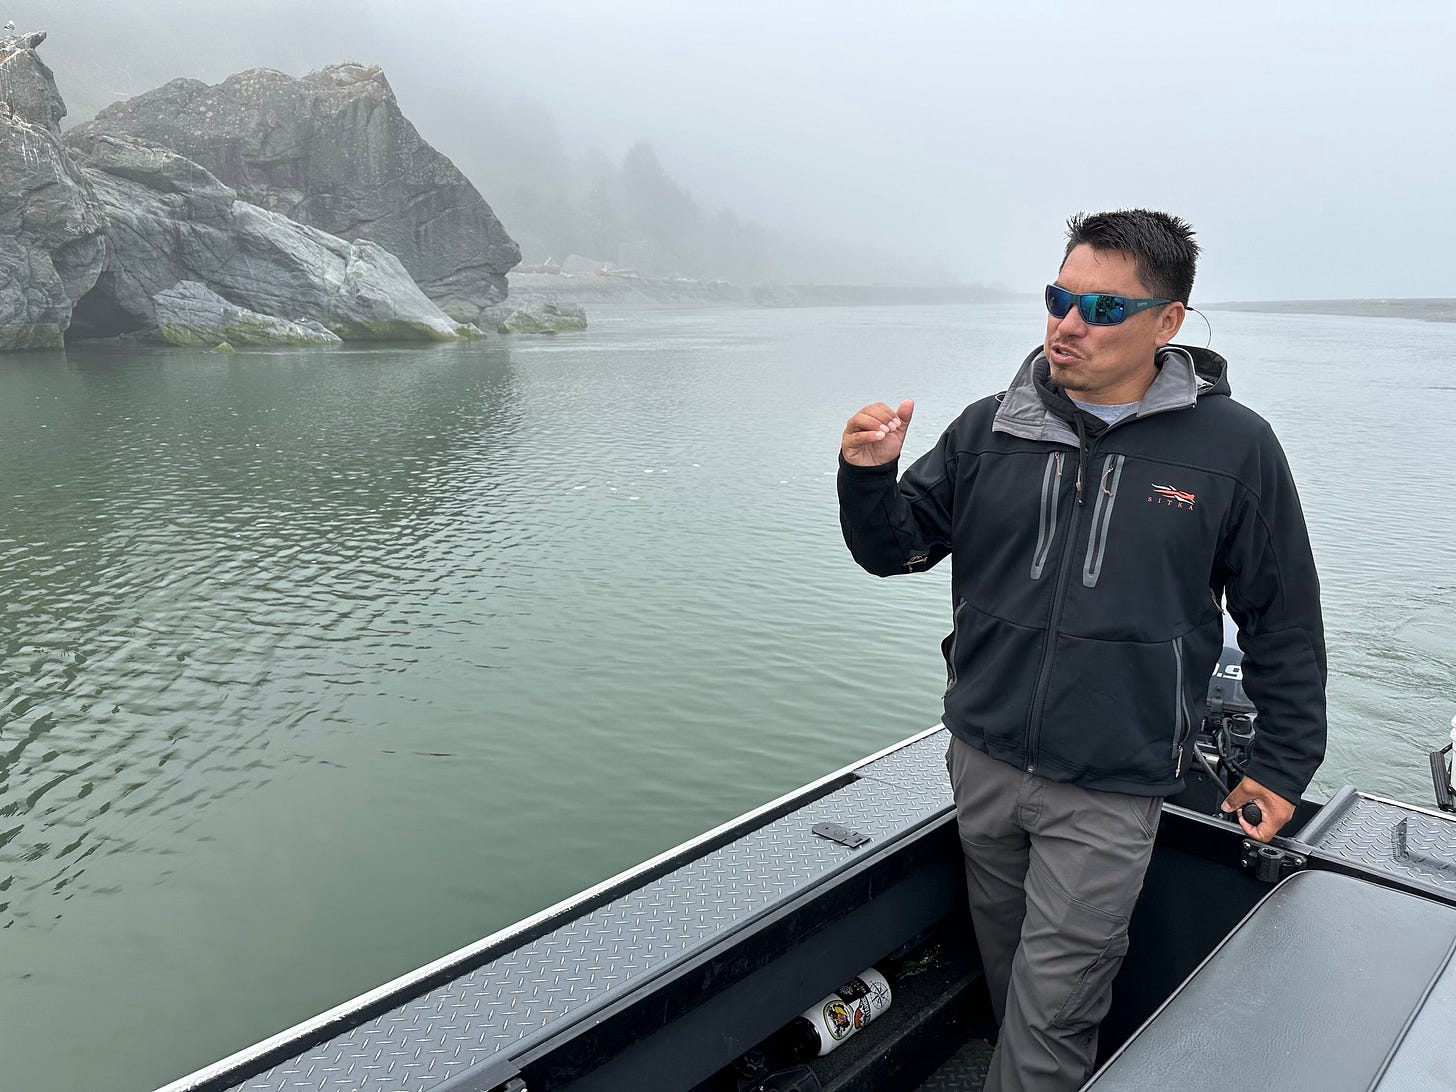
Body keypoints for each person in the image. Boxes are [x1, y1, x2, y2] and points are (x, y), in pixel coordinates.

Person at [836, 209, 1326, 1092]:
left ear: (1167, 324)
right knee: (1008, 968)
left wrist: (1283, 766)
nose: (1067, 324)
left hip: (1110, 783)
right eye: (1060, 297)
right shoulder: (993, 428)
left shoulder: (1233, 447)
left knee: (1054, 1006)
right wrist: (867, 476)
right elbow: (896, 548)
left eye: (1102, 307)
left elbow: (1282, 616)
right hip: (981, 759)